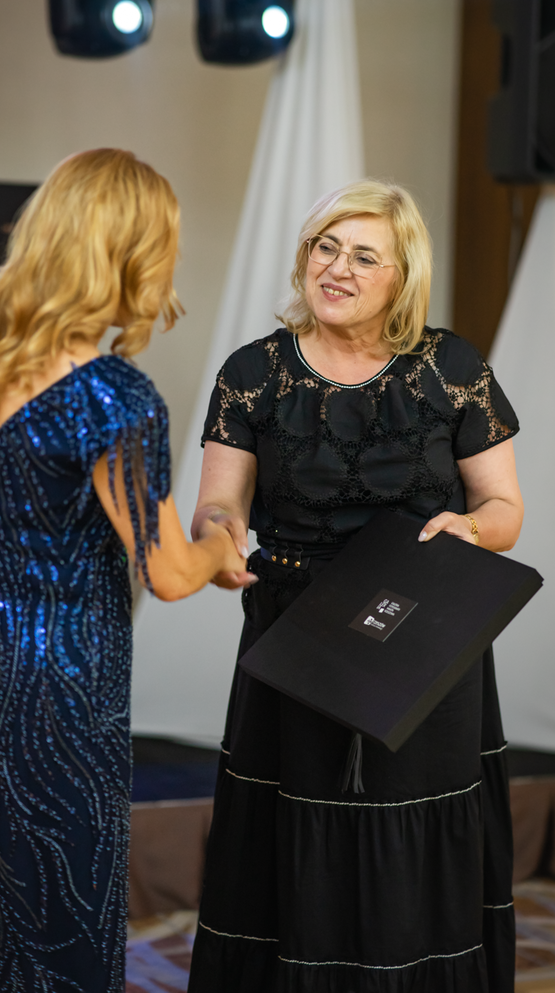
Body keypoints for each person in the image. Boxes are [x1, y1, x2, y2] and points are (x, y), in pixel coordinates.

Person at [0, 149, 253, 993]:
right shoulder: (114, 397)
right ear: (133, 255)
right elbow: (168, 573)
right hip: (58, 686)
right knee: (59, 909)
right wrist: (220, 542)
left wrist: (26, 523)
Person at [187, 179, 524, 993]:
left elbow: (505, 509)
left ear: (403, 276)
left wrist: (470, 529)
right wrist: (217, 541)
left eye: (364, 256)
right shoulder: (252, 372)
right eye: (324, 247)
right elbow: (219, 505)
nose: (335, 268)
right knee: (293, 843)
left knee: (413, 842)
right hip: (295, 634)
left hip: (421, 633)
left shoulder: (452, 367)